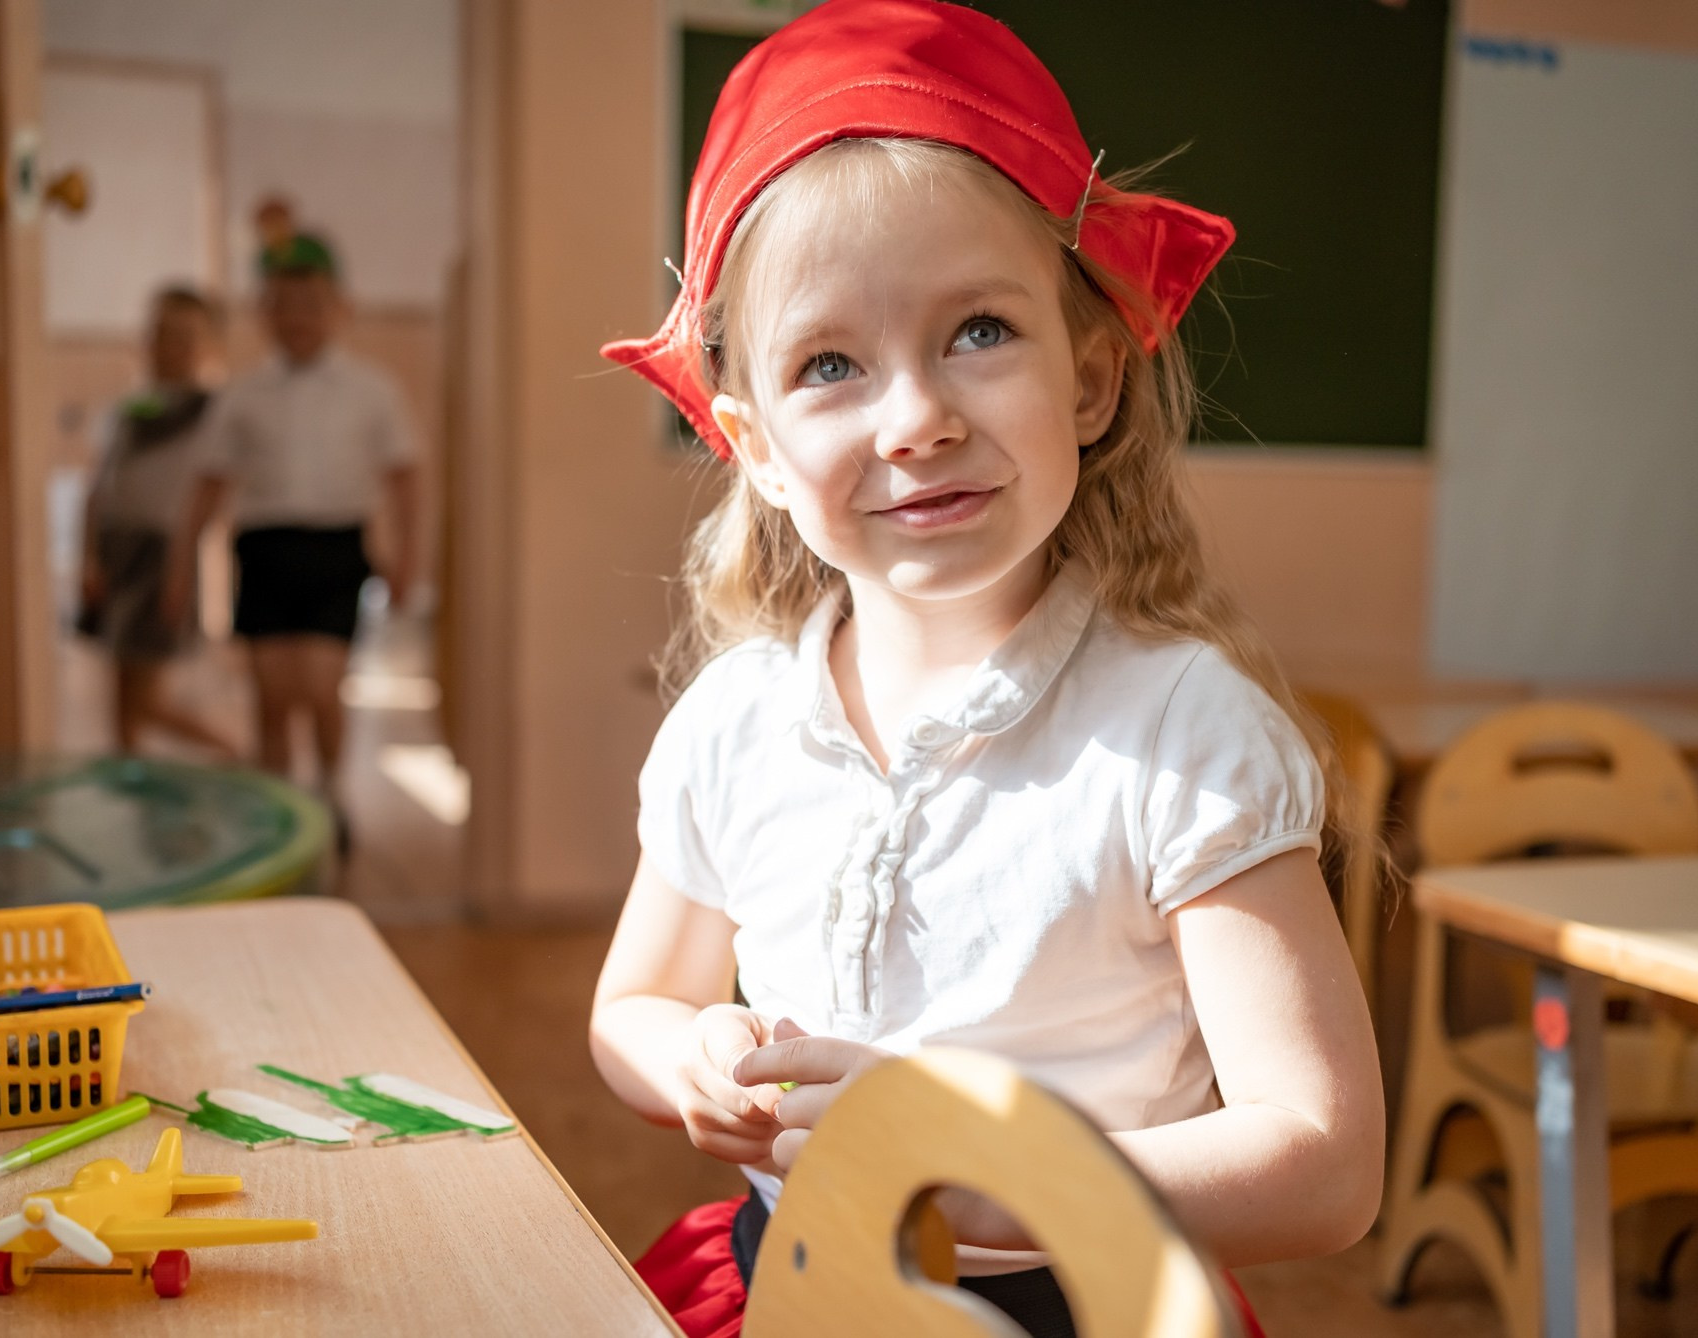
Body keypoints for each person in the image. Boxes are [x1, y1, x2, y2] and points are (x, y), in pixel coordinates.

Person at [586, 4, 1383, 1336]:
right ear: (758, 446)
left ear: (1087, 379)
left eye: (977, 333)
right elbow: (638, 999)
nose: (915, 418)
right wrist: (690, 1057)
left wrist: (989, 1179)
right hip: (785, 1285)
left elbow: (1324, 1158)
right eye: (830, 364)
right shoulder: (736, 723)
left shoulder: (1182, 737)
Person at [163, 232, 418, 844]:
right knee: (273, 693)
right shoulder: (244, 395)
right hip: (265, 550)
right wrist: (180, 569)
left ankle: (330, 792)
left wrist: (409, 556)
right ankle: (278, 812)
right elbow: (208, 486)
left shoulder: (371, 391)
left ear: (340, 309)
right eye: (283, 303)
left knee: (322, 684)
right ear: (264, 311)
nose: (298, 317)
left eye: (312, 303)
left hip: (337, 550)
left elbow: (407, 477)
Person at [79, 286, 238, 759]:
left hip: (161, 553)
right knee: (121, 688)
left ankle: (232, 751)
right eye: (161, 334)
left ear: (209, 346)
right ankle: (129, 778)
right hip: (116, 551)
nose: (169, 347)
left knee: (146, 696)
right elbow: (99, 488)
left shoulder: (215, 414)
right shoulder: (124, 413)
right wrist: (89, 557)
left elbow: (213, 497)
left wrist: (180, 567)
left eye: (185, 337)